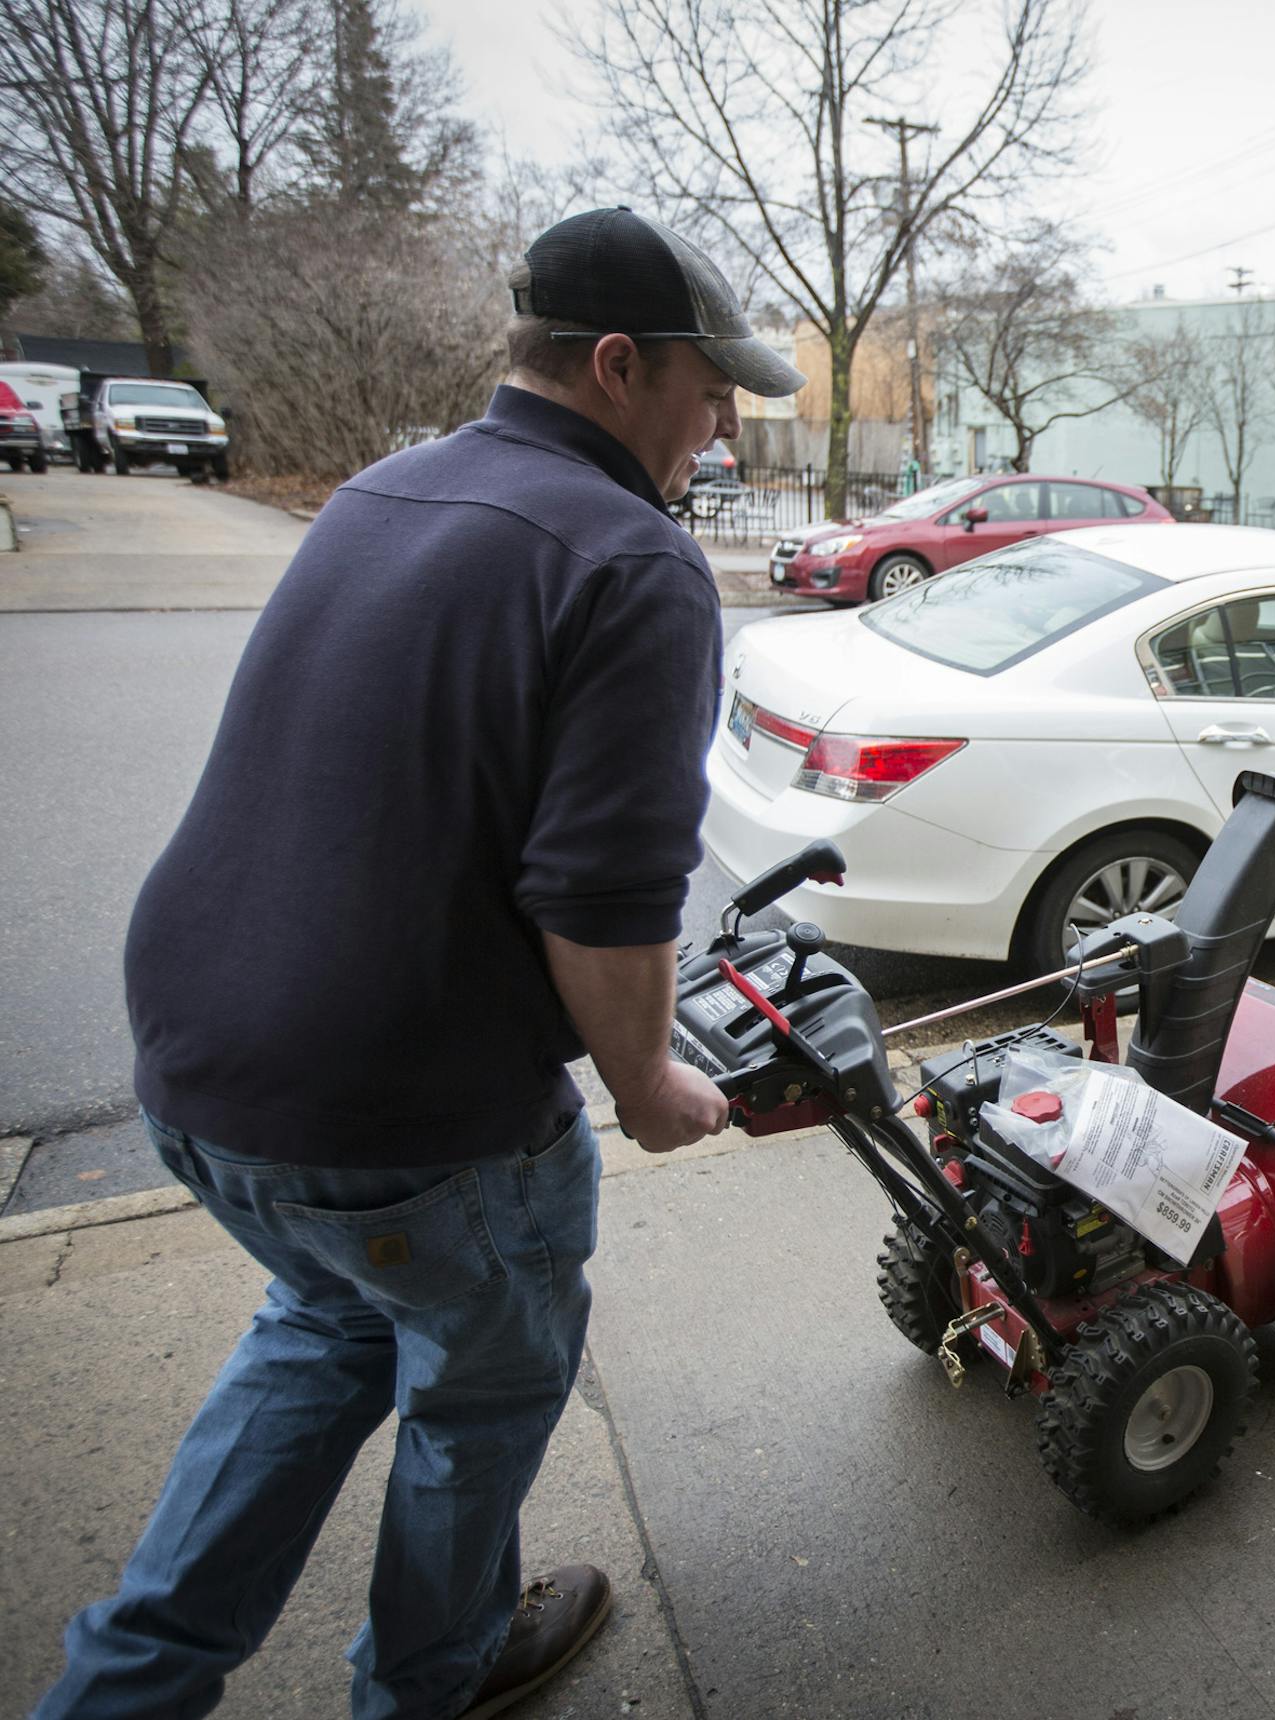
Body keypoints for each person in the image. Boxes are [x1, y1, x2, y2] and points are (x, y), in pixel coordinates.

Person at [35, 209, 806, 1720]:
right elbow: (600, 898)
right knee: (483, 1386)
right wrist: (652, 1087)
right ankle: (434, 1677)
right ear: (613, 366)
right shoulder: (635, 561)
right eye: (711, 389)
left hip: (200, 1074)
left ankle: (118, 1692)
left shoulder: (383, 489)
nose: (722, 425)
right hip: (409, 1121)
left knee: (324, 1323)